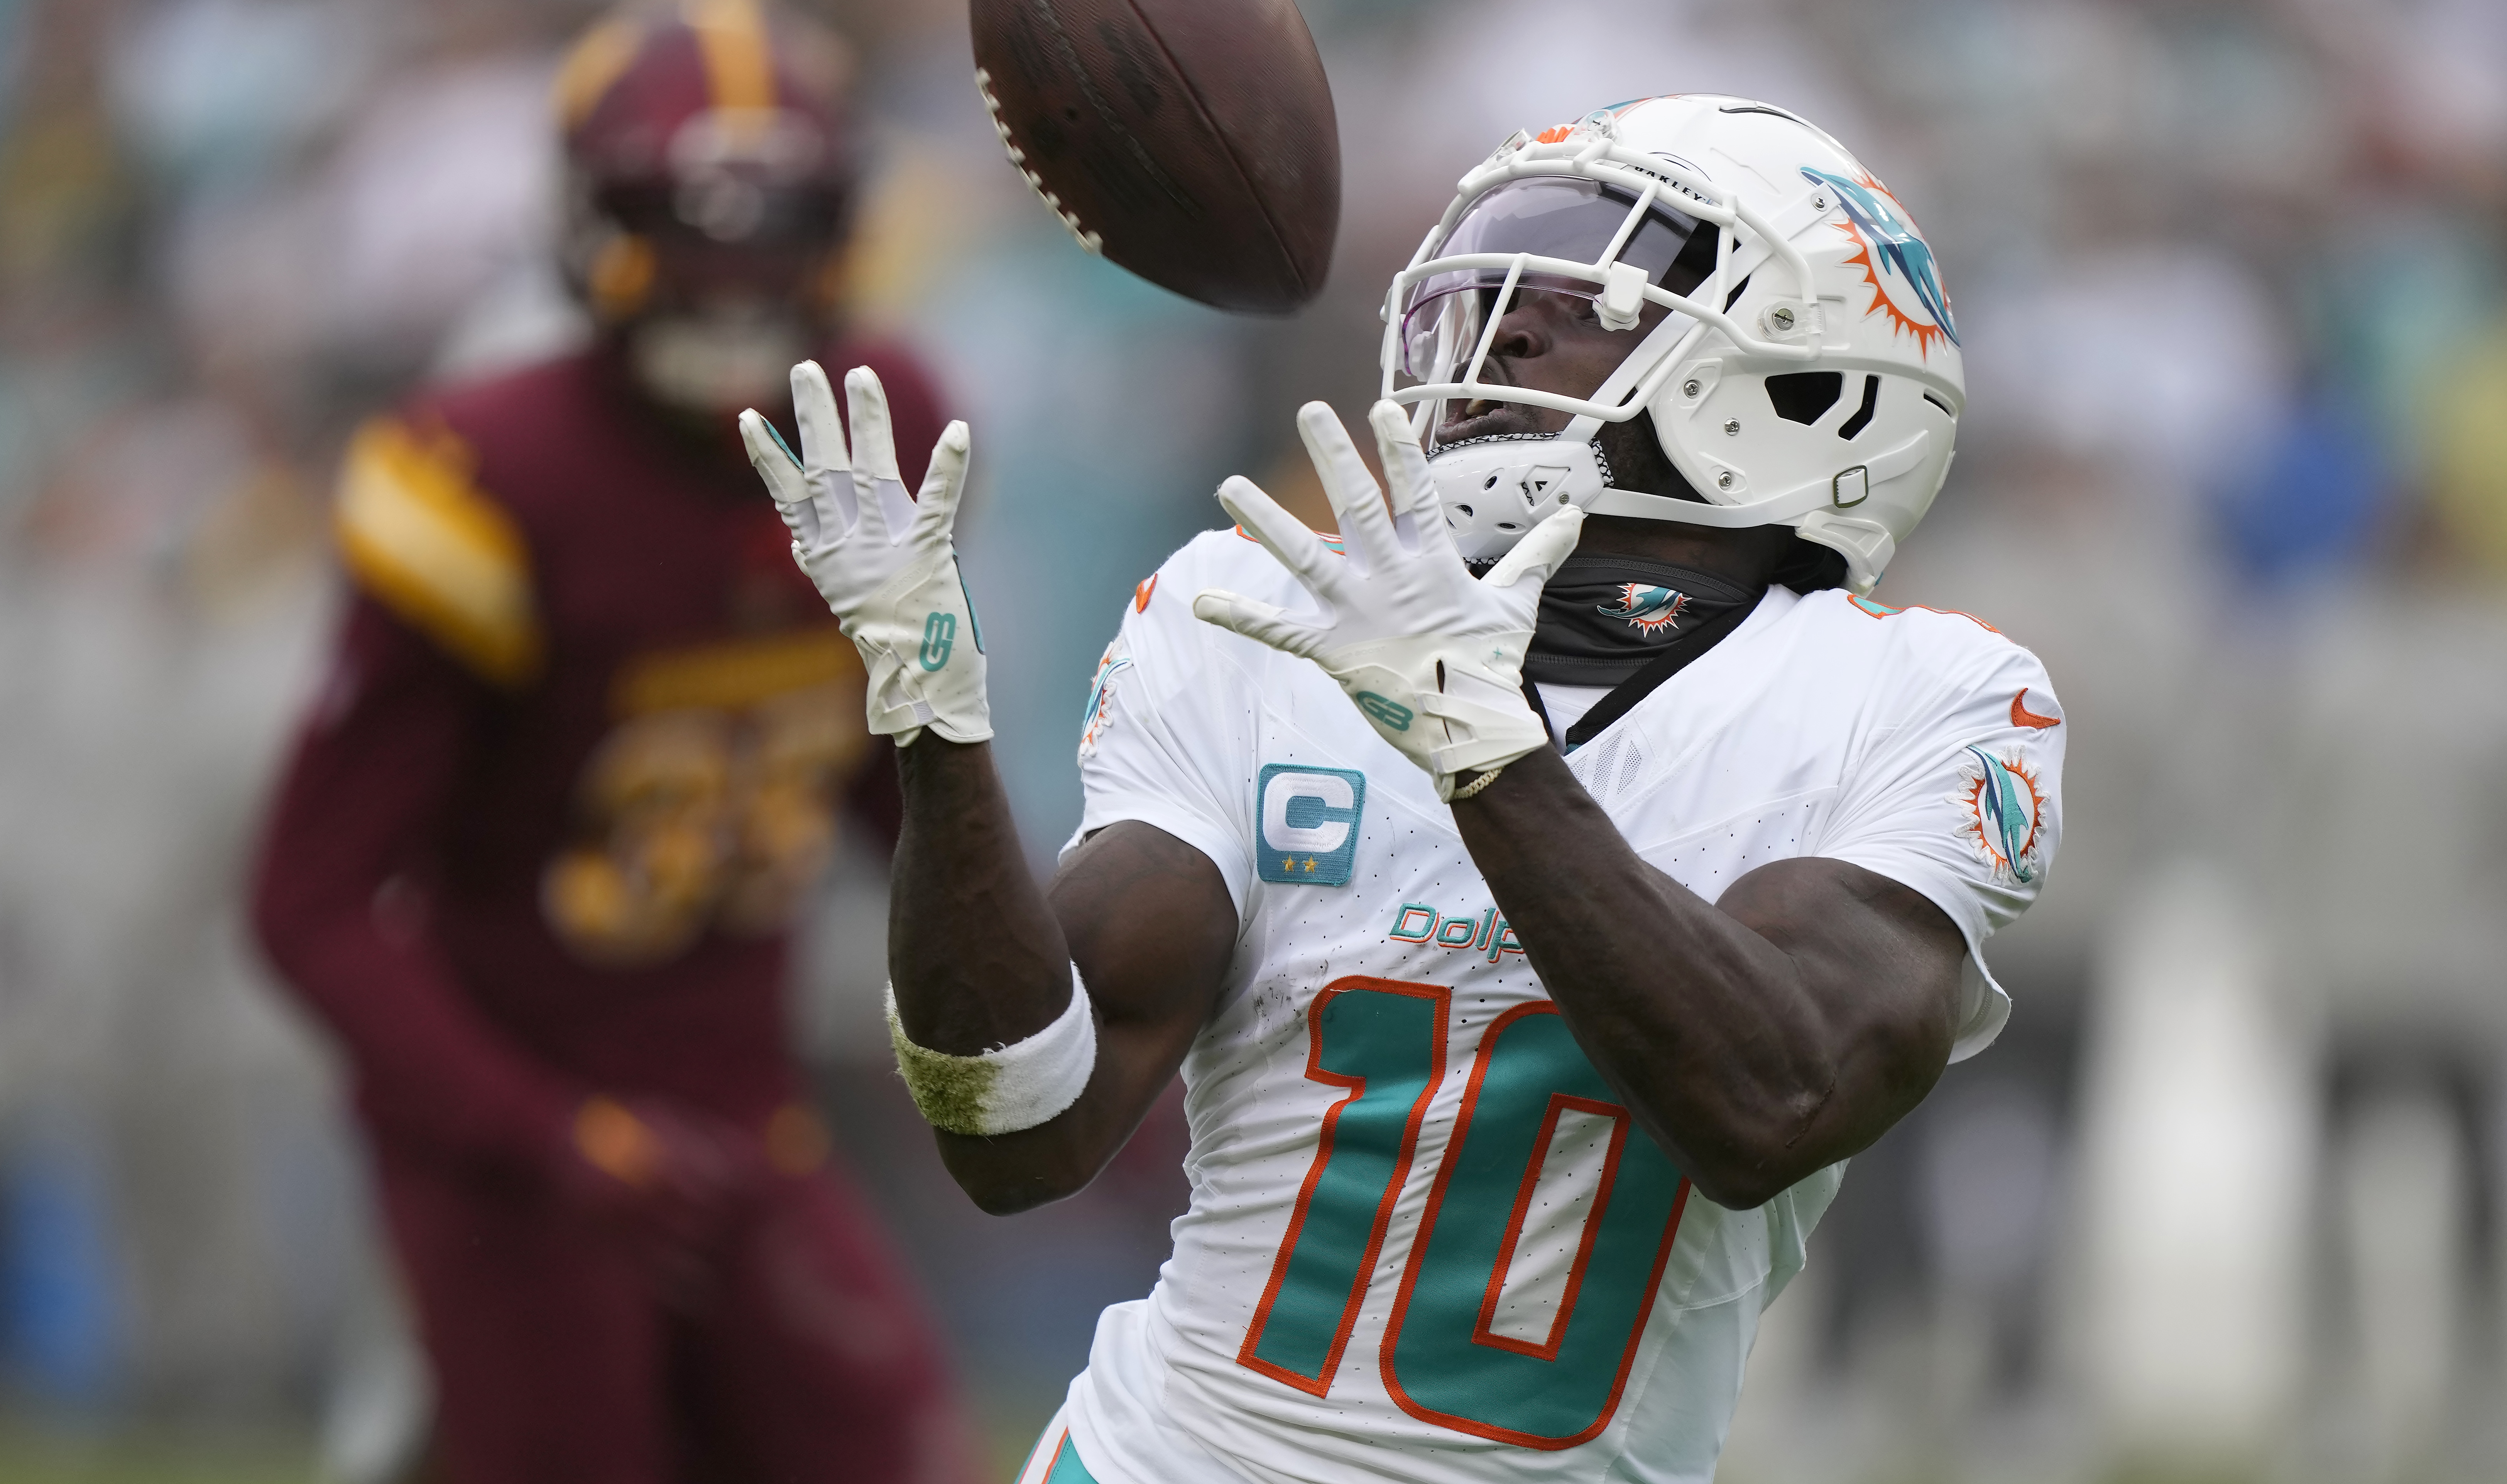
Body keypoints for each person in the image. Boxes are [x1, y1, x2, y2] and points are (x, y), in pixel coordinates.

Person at [741, 94, 2066, 1484]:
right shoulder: (1253, 609)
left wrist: (1487, 754)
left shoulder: (1923, 699)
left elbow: (1769, 1104)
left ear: (1803, 388)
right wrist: (932, 721)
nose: (1504, 332)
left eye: (1583, 297)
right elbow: (1016, 1132)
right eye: (1492, 290)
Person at [252, 0, 967, 1484]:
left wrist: (1044, 971)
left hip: (742, 1107)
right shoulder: (490, 474)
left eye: (775, 229)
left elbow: (894, 788)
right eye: (689, 229)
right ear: (591, 225)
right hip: (520, 1142)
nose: (734, 280)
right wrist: (540, 1130)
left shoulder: (876, 414)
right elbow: (308, 902)